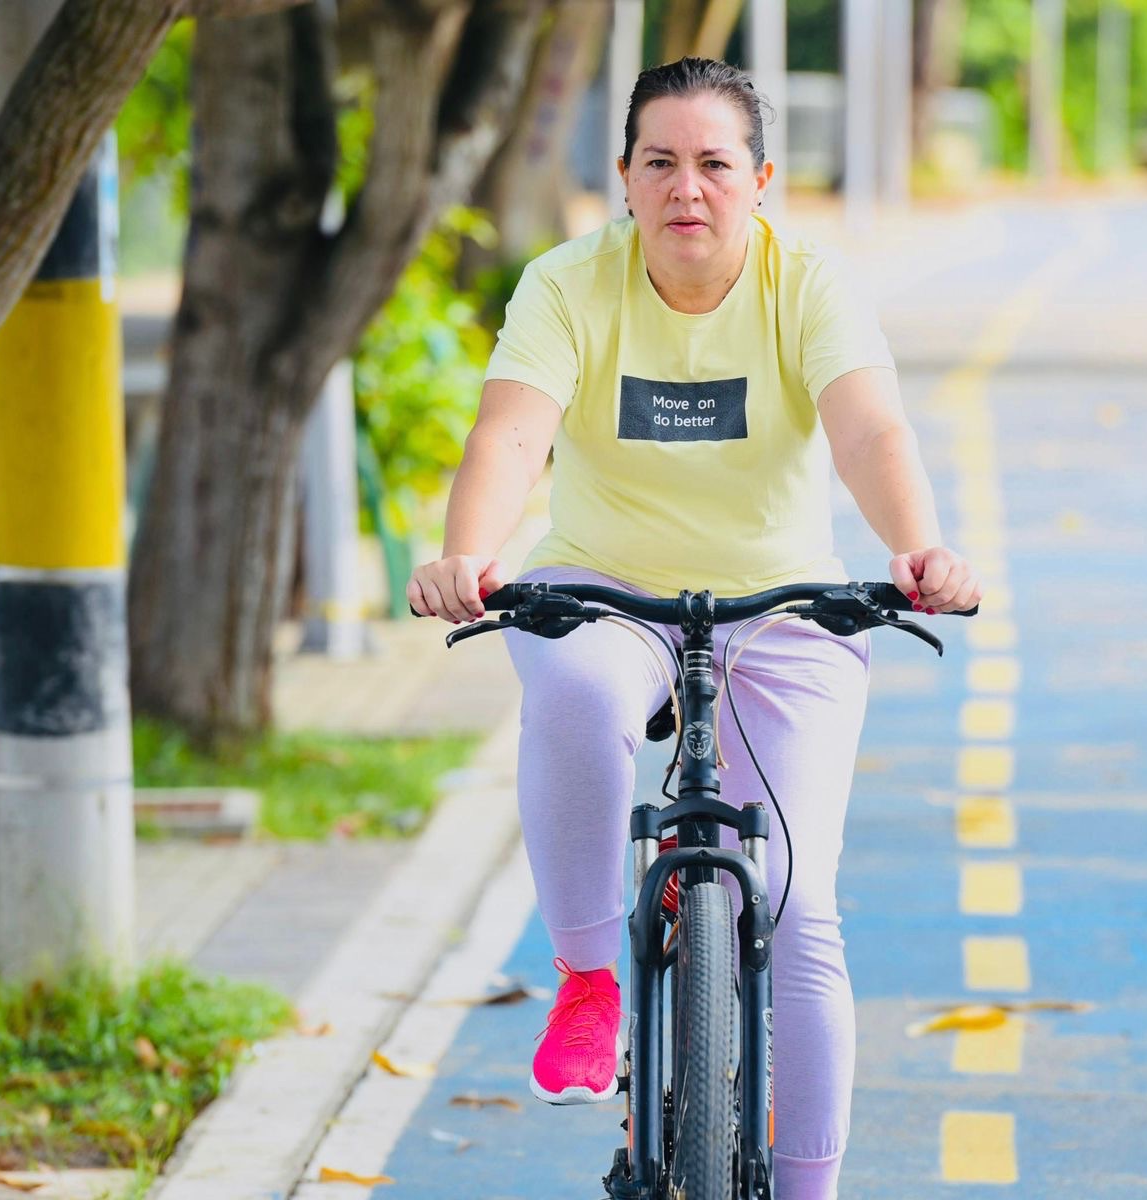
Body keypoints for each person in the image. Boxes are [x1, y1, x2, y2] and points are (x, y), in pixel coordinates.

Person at [407, 57, 981, 1200]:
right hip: (604, 591)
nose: (688, 189)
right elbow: (512, 438)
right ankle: (584, 978)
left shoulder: (809, 285)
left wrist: (916, 546)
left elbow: (870, 434)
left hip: (783, 607)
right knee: (572, 695)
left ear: (760, 180)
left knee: (799, 903)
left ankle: (809, 1189)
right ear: (621, 177)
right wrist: (469, 551)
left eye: (715, 164)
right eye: (659, 163)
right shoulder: (567, 283)